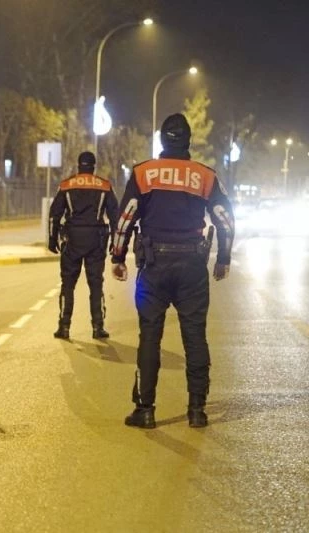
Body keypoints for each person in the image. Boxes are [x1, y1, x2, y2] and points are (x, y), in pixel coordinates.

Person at [111, 113, 235, 429]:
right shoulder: (205, 175)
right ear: (188, 140)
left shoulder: (144, 173)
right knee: (195, 337)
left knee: (150, 336)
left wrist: (118, 256)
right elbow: (225, 220)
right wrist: (223, 257)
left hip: (154, 266)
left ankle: (145, 410)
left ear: (161, 140)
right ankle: (197, 411)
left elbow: (125, 218)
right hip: (192, 266)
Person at [48, 151, 119, 340]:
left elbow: (55, 215)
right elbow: (115, 217)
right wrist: (115, 242)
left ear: (79, 165)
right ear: (94, 166)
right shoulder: (104, 186)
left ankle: (64, 326)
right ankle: (98, 327)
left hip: (72, 240)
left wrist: (52, 239)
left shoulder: (66, 185)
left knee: (68, 284)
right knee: (96, 284)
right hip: (96, 240)